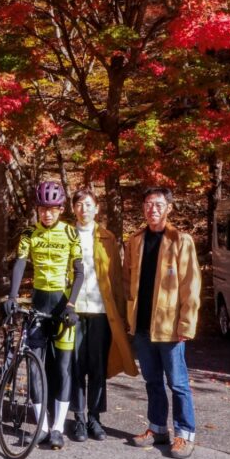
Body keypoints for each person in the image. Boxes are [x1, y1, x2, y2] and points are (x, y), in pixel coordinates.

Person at [5, 181, 84, 449]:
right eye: (42, 209)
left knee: (62, 368)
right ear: (37, 210)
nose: (47, 214)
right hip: (39, 303)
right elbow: (19, 264)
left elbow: (79, 272)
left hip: (62, 305)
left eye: (52, 209)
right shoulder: (29, 234)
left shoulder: (71, 233)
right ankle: (42, 426)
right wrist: (12, 297)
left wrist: (71, 306)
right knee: (34, 366)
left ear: (61, 209)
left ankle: (58, 428)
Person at [123, 186, 201, 459]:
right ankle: (157, 428)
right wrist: (128, 318)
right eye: (147, 204)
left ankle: (184, 434)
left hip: (169, 326)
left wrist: (186, 324)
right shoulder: (135, 241)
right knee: (152, 380)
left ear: (169, 207)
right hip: (142, 326)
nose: (152, 209)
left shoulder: (181, 240)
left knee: (177, 382)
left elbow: (191, 286)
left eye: (157, 204)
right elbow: (126, 282)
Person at [69, 189, 138, 442]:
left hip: (100, 311)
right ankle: (77, 418)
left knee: (98, 366)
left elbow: (117, 280)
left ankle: (95, 418)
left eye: (88, 204)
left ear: (97, 208)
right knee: (75, 366)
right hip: (73, 311)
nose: (83, 209)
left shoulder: (108, 238)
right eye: (79, 204)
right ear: (73, 208)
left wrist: (121, 314)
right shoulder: (66, 235)